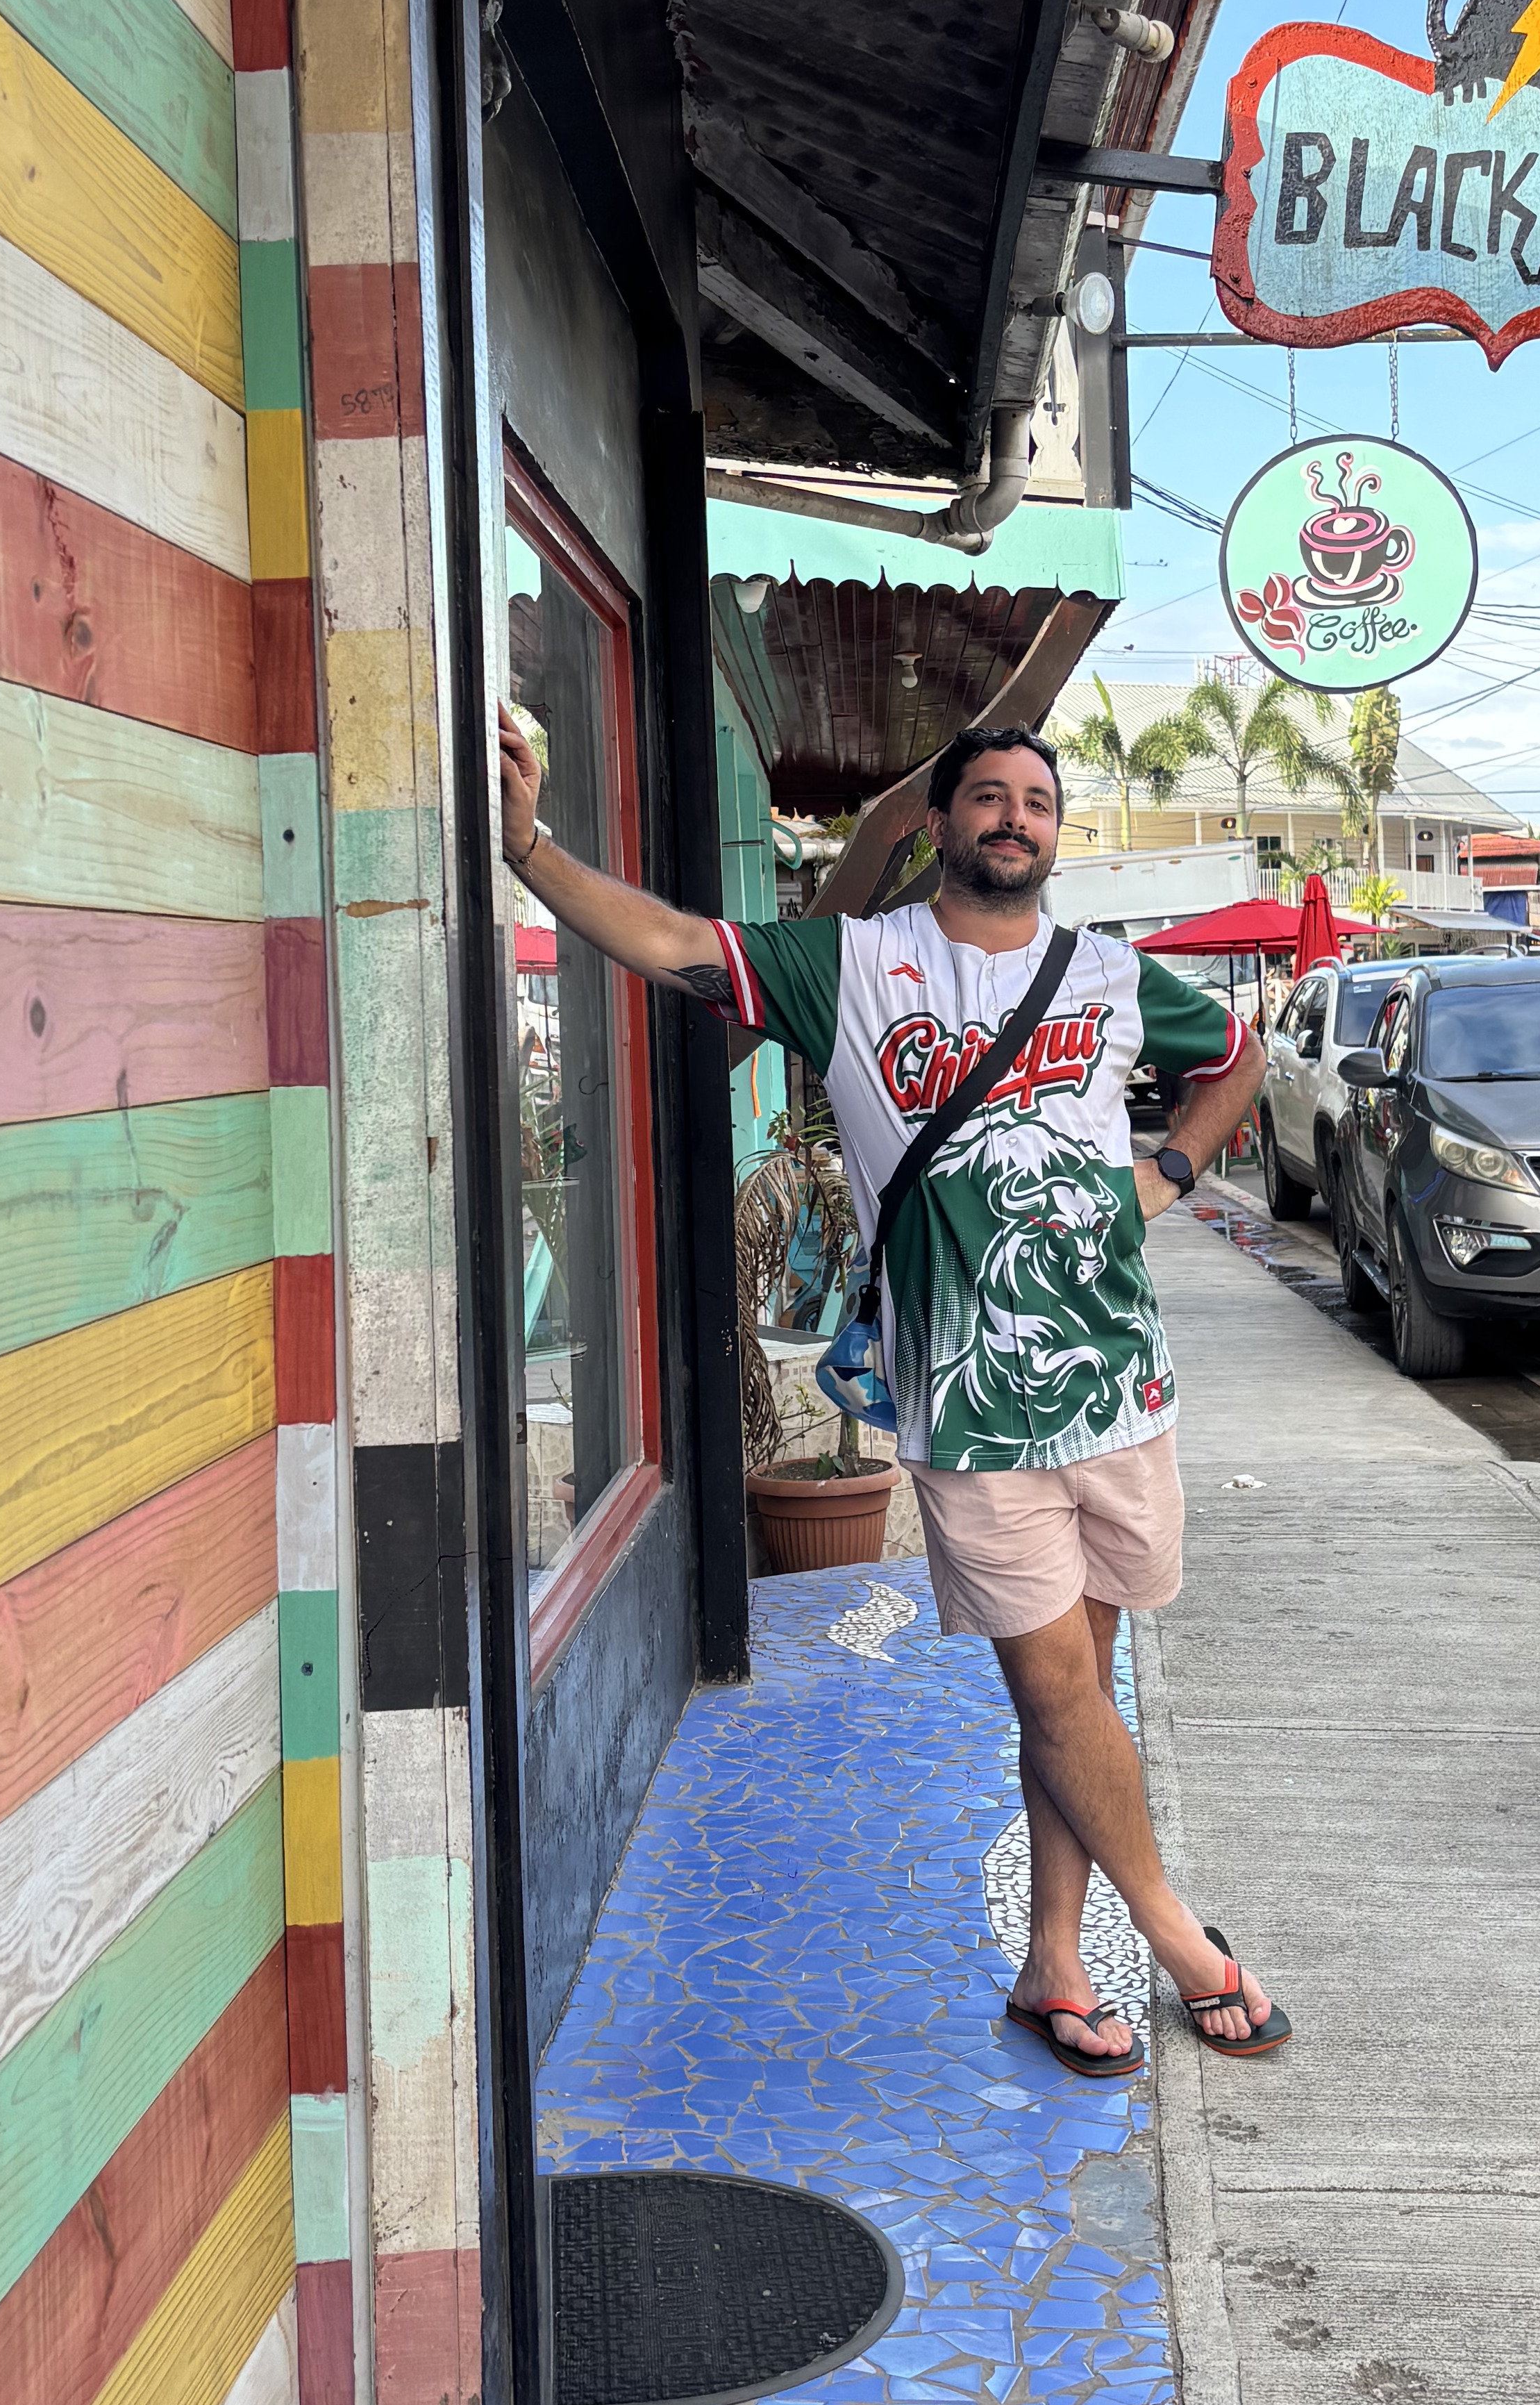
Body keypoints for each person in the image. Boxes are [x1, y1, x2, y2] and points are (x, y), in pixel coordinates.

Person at [498, 705, 1289, 2074]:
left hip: (1117, 1386)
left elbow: (1236, 1058)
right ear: (941, 825)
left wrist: (1163, 1181)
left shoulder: (1109, 976)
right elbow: (678, 942)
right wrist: (531, 854)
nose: (1013, 820)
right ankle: (1174, 1935)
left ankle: (1053, 1961)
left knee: (1079, 1691)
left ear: (1058, 829)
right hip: (967, 1400)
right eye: (987, 797)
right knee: (1055, 1687)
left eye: (1036, 802)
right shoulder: (854, 967)